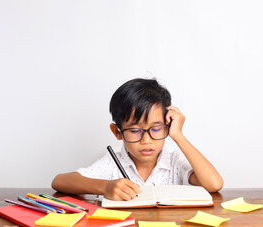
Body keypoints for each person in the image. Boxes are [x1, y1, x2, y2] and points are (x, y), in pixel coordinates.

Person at [52, 78, 223, 200]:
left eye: (156, 129)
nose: (146, 140)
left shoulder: (174, 162)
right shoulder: (112, 164)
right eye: (134, 130)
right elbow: (59, 181)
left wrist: (178, 135)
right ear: (117, 132)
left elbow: (214, 184)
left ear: (168, 126)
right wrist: (105, 187)